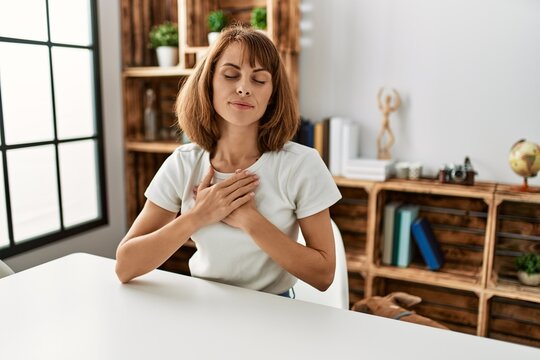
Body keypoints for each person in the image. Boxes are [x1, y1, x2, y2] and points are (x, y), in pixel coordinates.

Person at [115, 26, 341, 297]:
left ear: (272, 95)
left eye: (259, 80)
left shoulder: (302, 164)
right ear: (208, 83)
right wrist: (199, 215)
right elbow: (125, 266)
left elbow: (324, 275)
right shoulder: (183, 164)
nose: (244, 88)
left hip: (275, 311)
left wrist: (249, 220)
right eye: (231, 75)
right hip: (205, 307)